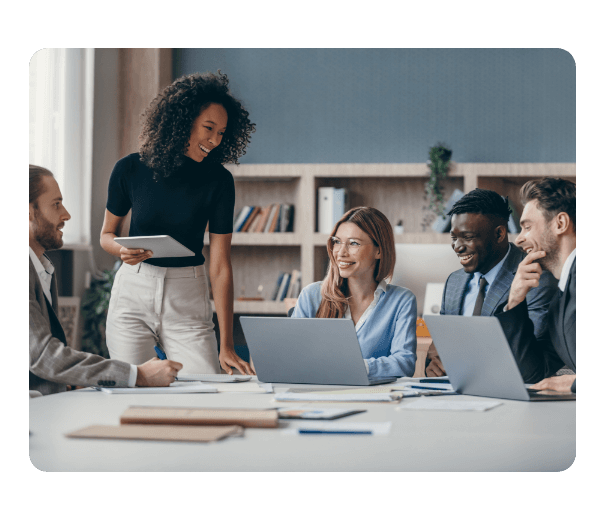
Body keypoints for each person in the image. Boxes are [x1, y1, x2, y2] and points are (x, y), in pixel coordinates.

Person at [101, 71, 256, 376]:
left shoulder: (219, 181)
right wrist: (120, 252)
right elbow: (107, 235)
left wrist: (227, 344)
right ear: (181, 120)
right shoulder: (129, 169)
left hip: (187, 295)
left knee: (204, 386)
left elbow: (221, 264)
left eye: (222, 133)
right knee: (133, 387)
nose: (214, 140)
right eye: (208, 128)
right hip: (133, 289)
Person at [29, 165, 182, 396]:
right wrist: (138, 375)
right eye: (56, 204)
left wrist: (72, 382)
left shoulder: (41, 267)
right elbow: (43, 356)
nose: (66, 215)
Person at [425, 188, 558, 377]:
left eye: (468, 237)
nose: (457, 247)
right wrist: (433, 367)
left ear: (499, 234)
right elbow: (438, 351)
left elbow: (531, 364)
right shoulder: (454, 281)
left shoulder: (535, 279)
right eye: (454, 238)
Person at [291, 207, 417, 379]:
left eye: (353, 243)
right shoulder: (312, 295)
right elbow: (293, 358)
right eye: (337, 242)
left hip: (375, 399)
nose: (341, 253)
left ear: (378, 250)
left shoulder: (401, 300)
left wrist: (351, 366)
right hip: (320, 396)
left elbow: (404, 364)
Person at [495, 178, 576, 393]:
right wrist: (514, 302)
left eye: (527, 227)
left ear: (560, 223)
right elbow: (533, 374)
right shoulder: (560, 297)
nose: (519, 239)